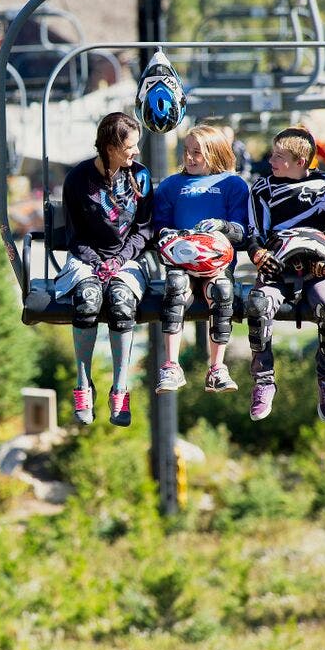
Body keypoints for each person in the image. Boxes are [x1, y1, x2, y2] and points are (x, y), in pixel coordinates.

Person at [245, 127, 325, 423]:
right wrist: (259, 255)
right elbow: (254, 232)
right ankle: (263, 380)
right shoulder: (263, 189)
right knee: (257, 306)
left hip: (317, 269)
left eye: (278, 156)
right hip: (277, 267)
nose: (270, 160)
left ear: (299, 161)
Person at [58, 111, 154, 428]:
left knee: (121, 303)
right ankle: (84, 385)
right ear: (111, 147)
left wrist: (119, 259)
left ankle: (120, 388)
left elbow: (144, 230)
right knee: (88, 299)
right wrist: (97, 263)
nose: (136, 152)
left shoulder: (140, 177)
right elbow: (74, 235)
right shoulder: (78, 180)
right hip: (86, 259)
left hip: (126, 259)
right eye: (130, 146)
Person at [152, 125, 250, 394]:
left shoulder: (232, 185)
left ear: (216, 153)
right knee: (175, 287)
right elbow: (158, 227)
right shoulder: (171, 186)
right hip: (181, 263)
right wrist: (169, 236)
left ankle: (217, 367)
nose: (190, 158)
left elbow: (243, 232)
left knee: (220, 291)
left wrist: (222, 226)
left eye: (198, 152)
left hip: (215, 265)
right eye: (186, 151)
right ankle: (171, 365)